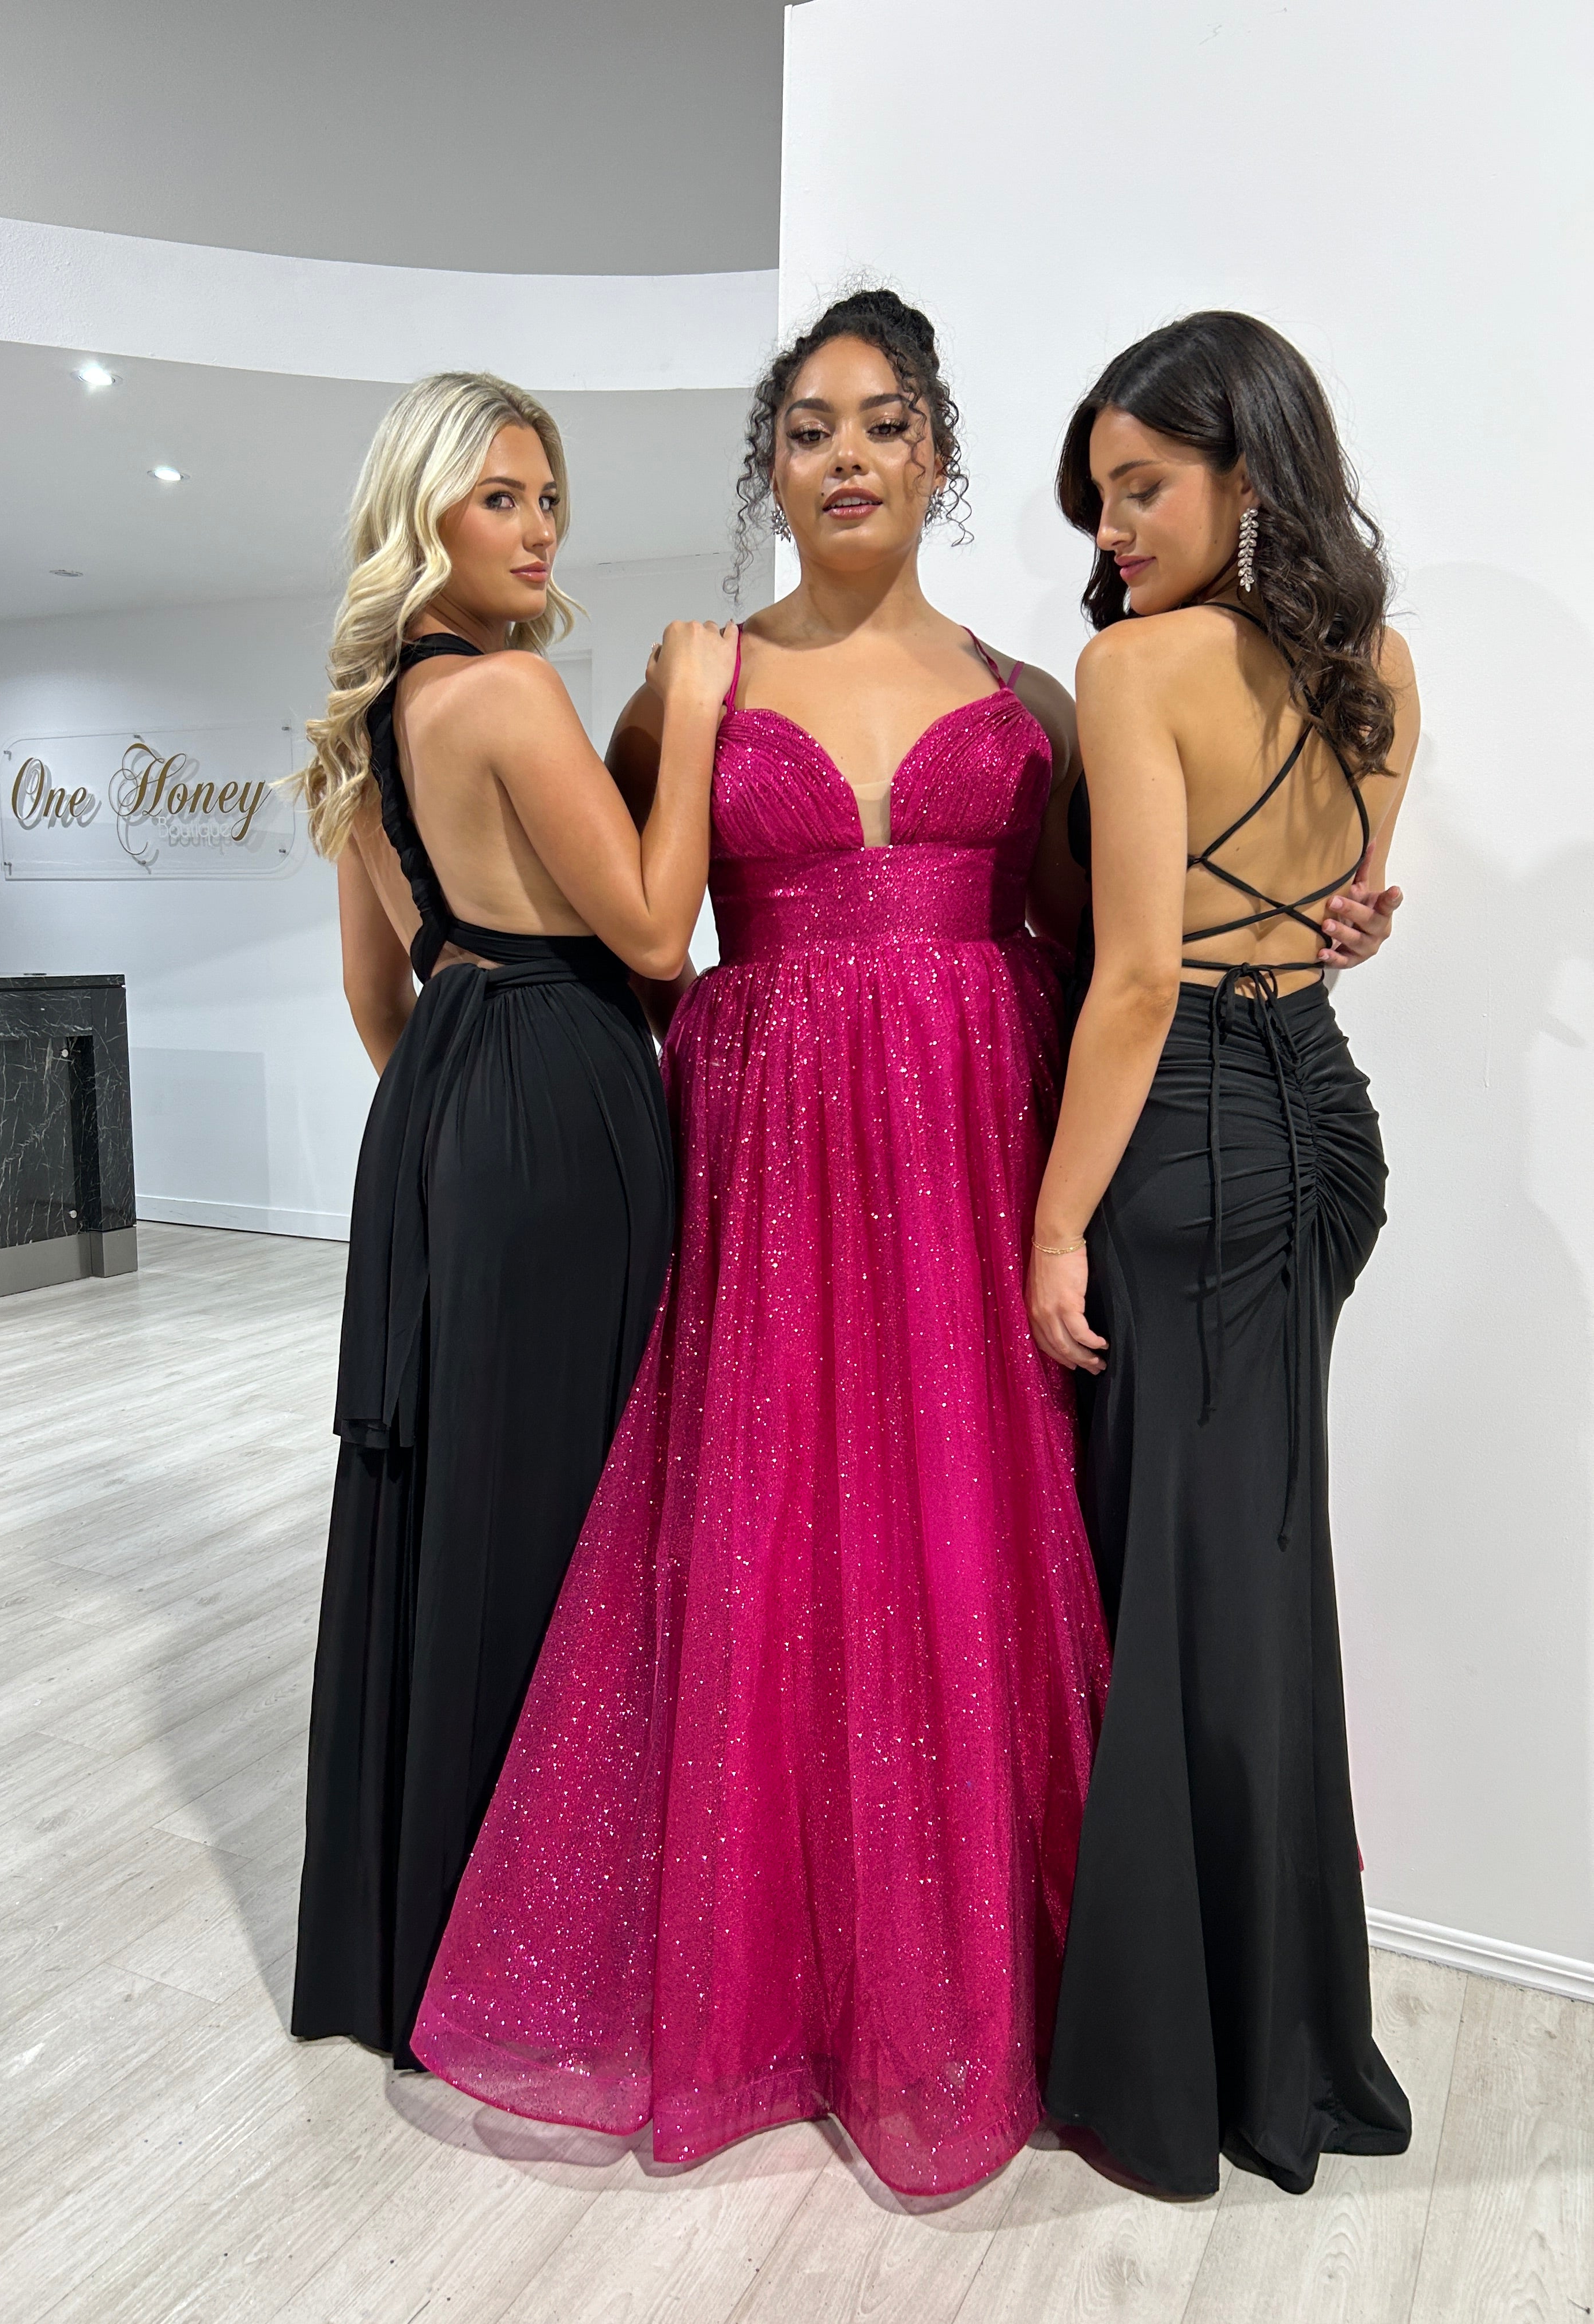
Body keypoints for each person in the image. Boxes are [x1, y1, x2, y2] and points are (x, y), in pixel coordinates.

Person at [412, 293, 1112, 2197]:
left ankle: (968, 1987)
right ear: (772, 469)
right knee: (770, 1539)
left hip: (972, 1163)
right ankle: (771, 1988)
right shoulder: (685, 688)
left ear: (944, 457)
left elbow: (1089, 943)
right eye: (811, 429)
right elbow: (621, 940)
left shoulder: (1026, 697)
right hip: (774, 1177)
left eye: (889, 424)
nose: (853, 456)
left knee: (962, 1534)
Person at [288, 370, 734, 2068]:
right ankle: (538, 1952)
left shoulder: (362, 728)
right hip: (561, 1096)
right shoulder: (511, 693)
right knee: (570, 1509)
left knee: (457, 1496)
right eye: (500, 499)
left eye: (548, 497)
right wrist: (687, 714)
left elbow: (368, 991)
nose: (539, 529)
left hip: (449, 1107)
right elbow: (649, 928)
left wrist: (453, 1129)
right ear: (425, 515)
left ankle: (422, 1939)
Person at [1030, 312, 1419, 2195]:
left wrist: (1046, 1223)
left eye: (1143, 487)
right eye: (1102, 499)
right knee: (1258, 1575)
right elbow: (1341, 921)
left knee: (1176, 1595)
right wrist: (1339, 929)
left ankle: (1190, 2067)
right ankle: (1297, 2040)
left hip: (1177, 1145)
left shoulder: (1137, 671)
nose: (1111, 530)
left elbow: (1131, 978)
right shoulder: (1386, 674)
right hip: (1322, 1140)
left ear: (1247, 476)